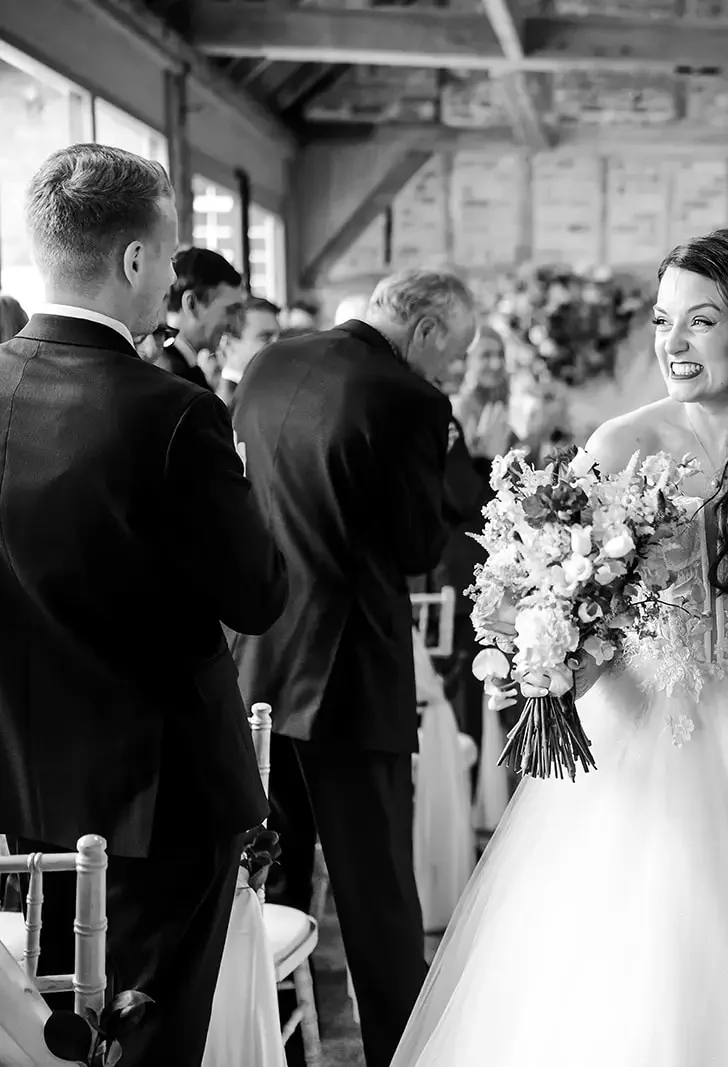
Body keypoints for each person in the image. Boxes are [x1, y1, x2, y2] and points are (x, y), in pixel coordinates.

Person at [392, 228, 728, 1066]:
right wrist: (548, 654)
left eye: (701, 322)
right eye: (662, 320)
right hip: (645, 725)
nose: (672, 343)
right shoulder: (620, 445)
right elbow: (566, 603)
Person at [0, 144, 287, 1064]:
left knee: (52, 1028)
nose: (169, 278)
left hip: (15, 782)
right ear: (132, 261)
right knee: (149, 1036)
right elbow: (257, 593)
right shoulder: (169, 412)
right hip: (156, 800)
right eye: (168, 257)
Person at [229, 270, 475, 1067]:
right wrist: (449, 454)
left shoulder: (269, 362)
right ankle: (400, 1054)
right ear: (428, 327)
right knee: (378, 903)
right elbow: (414, 546)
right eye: (456, 354)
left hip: (257, 660)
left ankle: (272, 1049)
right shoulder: (410, 402)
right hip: (348, 672)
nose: (453, 374)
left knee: (274, 881)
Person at [161, 247, 244, 389]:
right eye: (229, 310)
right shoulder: (173, 379)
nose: (236, 327)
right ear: (191, 304)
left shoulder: (179, 371)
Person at [215, 295, 280, 407]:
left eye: (279, 336)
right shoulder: (222, 404)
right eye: (265, 337)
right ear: (228, 343)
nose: (278, 344)